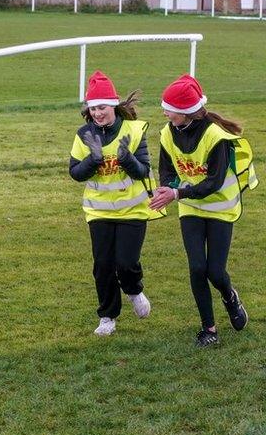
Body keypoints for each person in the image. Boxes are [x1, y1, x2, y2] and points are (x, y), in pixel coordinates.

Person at [149, 74, 258, 347]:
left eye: (169, 108)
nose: (164, 113)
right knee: (197, 267)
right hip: (191, 207)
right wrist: (167, 187)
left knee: (215, 272)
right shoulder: (167, 132)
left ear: (186, 112)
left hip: (220, 207)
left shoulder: (216, 136)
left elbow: (214, 182)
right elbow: (167, 168)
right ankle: (209, 329)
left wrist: (177, 192)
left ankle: (230, 297)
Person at [69, 71, 160, 337]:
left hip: (132, 210)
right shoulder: (84, 134)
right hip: (98, 211)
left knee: (126, 263)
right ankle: (107, 316)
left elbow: (143, 171)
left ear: (114, 106)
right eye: (93, 108)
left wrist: (126, 159)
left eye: (102, 107)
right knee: (103, 266)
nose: (97, 113)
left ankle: (134, 290)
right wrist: (93, 160)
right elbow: (75, 173)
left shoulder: (134, 130)